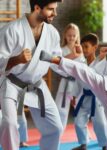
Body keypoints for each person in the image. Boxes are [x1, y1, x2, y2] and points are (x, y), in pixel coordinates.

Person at [41, 29, 107, 150]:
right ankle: (57, 60)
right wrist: (101, 57)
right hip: (106, 85)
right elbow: (98, 71)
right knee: (85, 71)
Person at [0, 0, 64, 150]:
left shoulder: (52, 33)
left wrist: (79, 70)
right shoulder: (11, 30)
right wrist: (16, 60)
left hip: (37, 84)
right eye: (50, 9)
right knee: (9, 124)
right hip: (12, 84)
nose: (55, 13)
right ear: (36, 8)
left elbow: (58, 63)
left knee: (55, 128)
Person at [71, 33, 107, 150]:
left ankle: (104, 145)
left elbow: (99, 73)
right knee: (78, 121)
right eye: (83, 46)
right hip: (84, 97)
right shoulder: (81, 65)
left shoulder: (100, 63)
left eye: (86, 46)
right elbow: (78, 81)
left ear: (95, 47)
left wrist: (102, 56)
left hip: (97, 98)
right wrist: (74, 95)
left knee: (100, 123)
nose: (84, 49)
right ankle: (83, 143)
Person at [55, 23, 85, 130]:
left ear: (77, 36)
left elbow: (83, 66)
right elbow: (57, 65)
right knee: (61, 109)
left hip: (77, 84)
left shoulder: (81, 50)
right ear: (65, 36)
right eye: (69, 35)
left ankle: (84, 134)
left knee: (81, 109)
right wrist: (72, 57)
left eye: (74, 35)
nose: (71, 38)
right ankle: (58, 131)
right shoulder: (61, 50)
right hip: (66, 83)